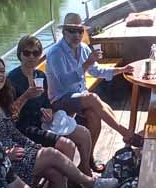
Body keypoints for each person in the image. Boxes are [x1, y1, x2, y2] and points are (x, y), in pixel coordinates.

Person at [0, 55, 117, 188]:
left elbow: (12, 130)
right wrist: (5, 154)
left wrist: (34, 143)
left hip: (20, 145)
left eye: (2, 71)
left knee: (56, 173)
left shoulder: (0, 98)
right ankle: (89, 183)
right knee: (52, 153)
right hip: (1, 163)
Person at [45, 13, 142, 159]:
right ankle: (126, 134)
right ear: (64, 32)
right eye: (72, 31)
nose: (77, 35)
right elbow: (64, 82)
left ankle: (88, 160)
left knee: (94, 115)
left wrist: (122, 69)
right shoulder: (55, 53)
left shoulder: (83, 48)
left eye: (80, 31)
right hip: (59, 100)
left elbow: (97, 71)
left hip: (80, 96)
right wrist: (86, 64)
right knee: (93, 98)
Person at [8, 35, 96, 176]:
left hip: (44, 121)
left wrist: (48, 111)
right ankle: (69, 182)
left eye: (36, 53)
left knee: (84, 134)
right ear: (20, 54)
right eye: (27, 53)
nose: (31, 57)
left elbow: (47, 103)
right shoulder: (12, 80)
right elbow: (10, 114)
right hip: (25, 127)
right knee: (67, 146)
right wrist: (25, 96)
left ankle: (85, 169)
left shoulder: (40, 75)